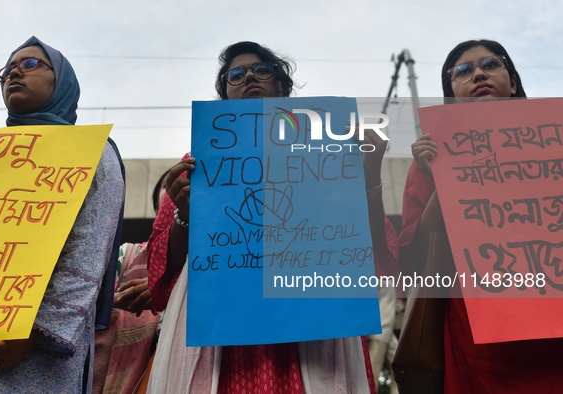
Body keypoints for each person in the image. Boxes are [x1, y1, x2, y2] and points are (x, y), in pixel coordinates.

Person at [146, 41, 398, 394]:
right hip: (221, 331)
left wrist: (369, 176)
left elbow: (370, 252)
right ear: (225, 97)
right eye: (235, 74)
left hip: (308, 325)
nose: (249, 75)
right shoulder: (198, 162)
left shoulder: (325, 148)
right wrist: (186, 217)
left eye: (262, 68)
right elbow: (161, 272)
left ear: (282, 86)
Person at [398, 39, 563, 393]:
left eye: (490, 64)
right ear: (451, 96)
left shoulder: (555, 142)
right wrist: (445, 175)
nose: (477, 74)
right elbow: (414, 254)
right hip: (478, 341)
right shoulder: (430, 159)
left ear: (513, 82)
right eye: (462, 71)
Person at [0, 36, 124, 393]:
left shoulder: (94, 154)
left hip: (43, 355)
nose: (12, 74)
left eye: (29, 65)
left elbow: (89, 253)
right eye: (6, 69)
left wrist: (35, 332)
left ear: (63, 82)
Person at [93, 169, 170, 394]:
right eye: (170, 183)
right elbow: (81, 302)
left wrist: (165, 292)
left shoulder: (210, 268)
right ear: (158, 210)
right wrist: (117, 300)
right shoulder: (124, 256)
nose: (184, 185)